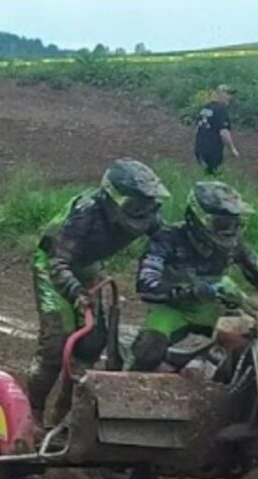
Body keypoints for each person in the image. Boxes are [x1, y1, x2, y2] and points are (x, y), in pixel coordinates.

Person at [26, 159, 170, 428]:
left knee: (92, 343)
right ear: (114, 198)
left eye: (147, 204)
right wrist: (77, 293)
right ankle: (32, 411)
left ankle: (64, 414)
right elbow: (58, 261)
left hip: (88, 268)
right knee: (57, 342)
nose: (143, 211)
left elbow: (166, 238)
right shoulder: (86, 212)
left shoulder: (147, 216)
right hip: (54, 266)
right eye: (136, 205)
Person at [129, 181, 258, 373]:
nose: (229, 231)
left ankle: (235, 387)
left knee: (253, 345)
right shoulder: (167, 238)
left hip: (215, 308)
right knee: (148, 350)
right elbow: (146, 283)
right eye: (222, 224)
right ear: (197, 219)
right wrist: (191, 291)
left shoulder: (235, 245)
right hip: (173, 309)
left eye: (234, 224)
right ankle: (126, 384)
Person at [194, 85, 241, 176]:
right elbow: (224, 132)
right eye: (227, 94)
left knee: (204, 174)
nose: (230, 97)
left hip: (199, 148)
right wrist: (232, 149)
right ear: (220, 94)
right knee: (213, 175)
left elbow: (197, 128)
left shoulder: (205, 108)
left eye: (231, 94)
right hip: (212, 150)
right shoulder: (221, 109)